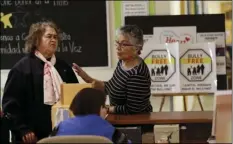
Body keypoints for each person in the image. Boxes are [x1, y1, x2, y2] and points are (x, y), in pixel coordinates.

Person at [2, 21, 79, 143]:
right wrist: (23, 130)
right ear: (36, 40)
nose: (53, 40)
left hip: (64, 133)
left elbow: (76, 97)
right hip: (31, 136)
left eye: (55, 37)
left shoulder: (63, 67)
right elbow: (10, 105)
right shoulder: (22, 68)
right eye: (49, 36)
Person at [73, 25, 152, 114]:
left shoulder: (137, 74)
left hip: (135, 124)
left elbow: (133, 110)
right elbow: (110, 87)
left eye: (124, 44)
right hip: (119, 119)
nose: (118, 47)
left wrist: (107, 109)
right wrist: (87, 78)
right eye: (117, 43)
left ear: (137, 48)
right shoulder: (122, 63)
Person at [52, 88, 130, 143]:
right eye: (104, 106)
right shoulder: (109, 130)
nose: (106, 110)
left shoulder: (60, 127)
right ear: (99, 108)